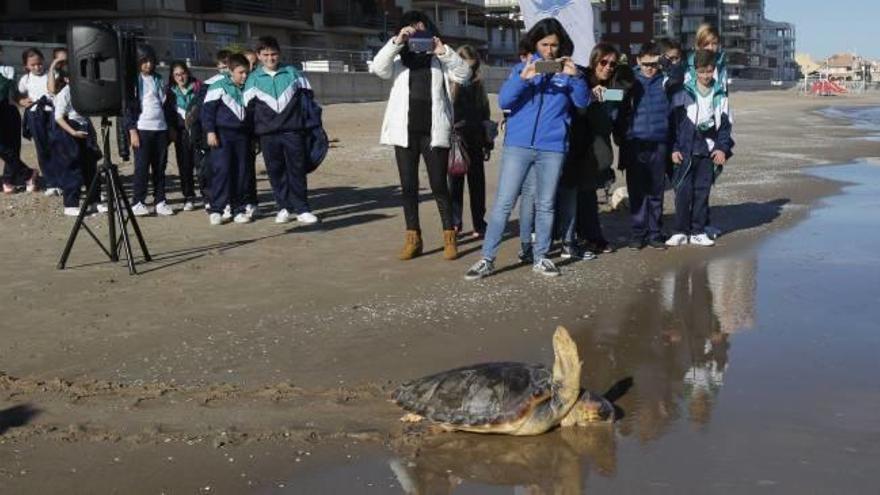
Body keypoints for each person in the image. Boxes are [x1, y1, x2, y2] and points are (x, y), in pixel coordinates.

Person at [465, 18, 589, 280]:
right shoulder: (521, 69)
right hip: (518, 146)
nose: (550, 50)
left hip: (553, 147)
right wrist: (523, 79)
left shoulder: (569, 72)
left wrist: (575, 77)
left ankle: (541, 257)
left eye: (555, 45)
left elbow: (582, 102)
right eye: (544, 44)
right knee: (503, 204)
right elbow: (505, 101)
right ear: (535, 44)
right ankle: (487, 258)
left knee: (545, 205)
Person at [372, 11, 471, 260]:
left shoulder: (440, 60)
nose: (417, 32)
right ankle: (413, 239)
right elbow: (377, 68)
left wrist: (443, 50)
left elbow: (464, 75)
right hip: (404, 133)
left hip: (434, 132)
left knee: (439, 185)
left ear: (431, 30)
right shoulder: (399, 61)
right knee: (408, 187)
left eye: (421, 28)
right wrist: (397, 41)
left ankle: (450, 237)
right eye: (411, 29)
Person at [557, 42, 633, 259]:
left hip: (596, 150)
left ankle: (591, 237)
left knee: (587, 195)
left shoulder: (614, 85)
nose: (608, 67)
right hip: (574, 145)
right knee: (571, 195)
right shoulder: (582, 78)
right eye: (603, 62)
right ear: (594, 60)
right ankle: (573, 237)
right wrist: (589, 92)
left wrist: (604, 94)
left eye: (612, 63)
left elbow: (622, 95)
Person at [244, 36, 318, 225]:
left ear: (280, 53)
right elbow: (249, 109)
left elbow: (308, 98)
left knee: (297, 170)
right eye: (265, 54)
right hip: (268, 135)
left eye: (274, 54)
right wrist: (254, 135)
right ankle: (284, 207)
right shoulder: (253, 79)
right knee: (276, 171)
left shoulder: (293, 73)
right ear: (259, 56)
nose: (270, 58)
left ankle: (302, 209)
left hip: (293, 131)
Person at [667, 50, 734, 248]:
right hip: (685, 150)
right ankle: (680, 230)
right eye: (702, 71)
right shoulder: (684, 92)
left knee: (702, 193)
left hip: (707, 151)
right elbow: (675, 124)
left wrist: (722, 148)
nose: (705, 75)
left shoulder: (720, 95)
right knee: (682, 192)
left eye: (709, 71)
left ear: (714, 71)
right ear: (695, 71)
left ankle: (697, 231)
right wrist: (674, 148)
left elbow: (725, 125)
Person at [615, 42, 677, 251]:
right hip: (635, 143)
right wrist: (603, 93)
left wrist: (666, 64)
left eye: (654, 63)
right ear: (638, 61)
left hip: (659, 142)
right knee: (637, 192)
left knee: (656, 191)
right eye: (646, 64)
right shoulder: (629, 81)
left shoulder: (665, 81)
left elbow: (681, 78)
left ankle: (655, 233)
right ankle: (638, 233)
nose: (650, 68)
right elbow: (612, 98)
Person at [202, 54, 252, 225]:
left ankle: (238, 209)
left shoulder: (248, 86)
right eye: (241, 73)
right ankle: (217, 209)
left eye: (247, 72)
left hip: (242, 137)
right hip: (222, 136)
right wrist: (210, 131)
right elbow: (208, 111)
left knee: (241, 172)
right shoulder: (218, 85)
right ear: (231, 71)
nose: (244, 76)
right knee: (221, 171)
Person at [447, 44, 491, 239]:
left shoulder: (478, 85)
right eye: (466, 66)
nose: (470, 71)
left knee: (477, 185)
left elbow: (485, 115)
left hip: (476, 140)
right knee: (455, 184)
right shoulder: (449, 84)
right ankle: (455, 222)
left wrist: (488, 141)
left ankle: (479, 223)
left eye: (473, 68)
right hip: (455, 141)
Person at [125, 44, 174, 217]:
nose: (147, 65)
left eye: (150, 61)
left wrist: (169, 128)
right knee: (141, 167)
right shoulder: (133, 82)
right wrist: (132, 130)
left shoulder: (159, 79)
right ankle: (138, 201)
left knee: (160, 167)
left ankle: (160, 200)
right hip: (142, 129)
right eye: (144, 61)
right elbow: (128, 109)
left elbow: (166, 104)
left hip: (160, 128)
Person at [52, 65, 104, 216]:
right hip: (70, 128)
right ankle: (70, 204)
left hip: (84, 126)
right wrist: (73, 132)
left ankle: (95, 201)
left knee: (91, 167)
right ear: (67, 79)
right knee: (72, 167)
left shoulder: (83, 91)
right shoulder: (65, 93)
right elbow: (58, 117)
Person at [167, 61, 202, 211]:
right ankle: (189, 196)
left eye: (182, 73)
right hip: (181, 134)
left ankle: (207, 195)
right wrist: (171, 130)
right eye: (177, 75)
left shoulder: (198, 87)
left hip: (198, 132)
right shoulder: (169, 92)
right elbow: (167, 114)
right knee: (185, 166)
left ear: (187, 72)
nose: (180, 77)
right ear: (172, 77)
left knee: (201, 165)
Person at [1, 47, 36, 194]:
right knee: (3, 148)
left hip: (6, 110)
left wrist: (21, 101)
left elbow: (12, 92)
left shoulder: (7, 70)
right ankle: (28, 173)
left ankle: (9, 180)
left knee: (12, 147)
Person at [16, 47, 50, 194]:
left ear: (43, 61)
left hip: (53, 115)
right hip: (35, 116)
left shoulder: (51, 74)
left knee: (57, 146)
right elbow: (17, 94)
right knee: (42, 148)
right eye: (33, 65)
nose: (37, 67)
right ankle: (50, 180)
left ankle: (63, 177)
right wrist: (22, 101)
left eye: (39, 63)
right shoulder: (25, 79)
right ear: (26, 66)